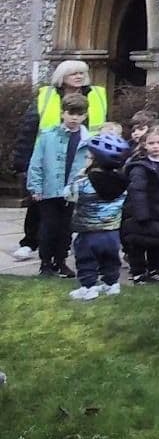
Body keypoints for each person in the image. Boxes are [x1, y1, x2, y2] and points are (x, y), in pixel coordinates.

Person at [12, 61, 108, 263]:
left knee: (73, 206)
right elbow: (29, 129)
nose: (79, 76)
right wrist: (22, 162)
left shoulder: (96, 95)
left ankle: (66, 246)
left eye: (82, 73)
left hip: (82, 155)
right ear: (61, 76)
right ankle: (30, 242)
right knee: (39, 205)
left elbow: (103, 126)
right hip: (49, 156)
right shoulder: (47, 95)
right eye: (73, 73)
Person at [25, 91, 92, 279]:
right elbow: (36, 162)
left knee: (66, 229)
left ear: (85, 116)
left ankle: (60, 261)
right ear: (63, 113)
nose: (74, 118)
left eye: (79, 114)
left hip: (73, 192)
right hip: (49, 189)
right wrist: (35, 187)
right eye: (71, 113)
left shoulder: (88, 139)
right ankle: (45, 263)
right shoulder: (48, 136)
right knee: (48, 227)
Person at [66, 130, 130, 301]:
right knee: (111, 259)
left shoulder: (84, 182)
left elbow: (68, 194)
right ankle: (112, 285)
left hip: (88, 233)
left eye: (88, 156)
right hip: (112, 232)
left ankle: (88, 288)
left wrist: (80, 174)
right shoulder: (123, 182)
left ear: (95, 159)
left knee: (87, 260)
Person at [122, 125, 159, 284]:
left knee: (157, 244)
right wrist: (141, 214)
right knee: (138, 245)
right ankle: (139, 273)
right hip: (141, 214)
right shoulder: (140, 167)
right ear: (144, 145)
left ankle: (155, 270)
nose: (156, 146)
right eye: (152, 143)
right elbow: (137, 190)